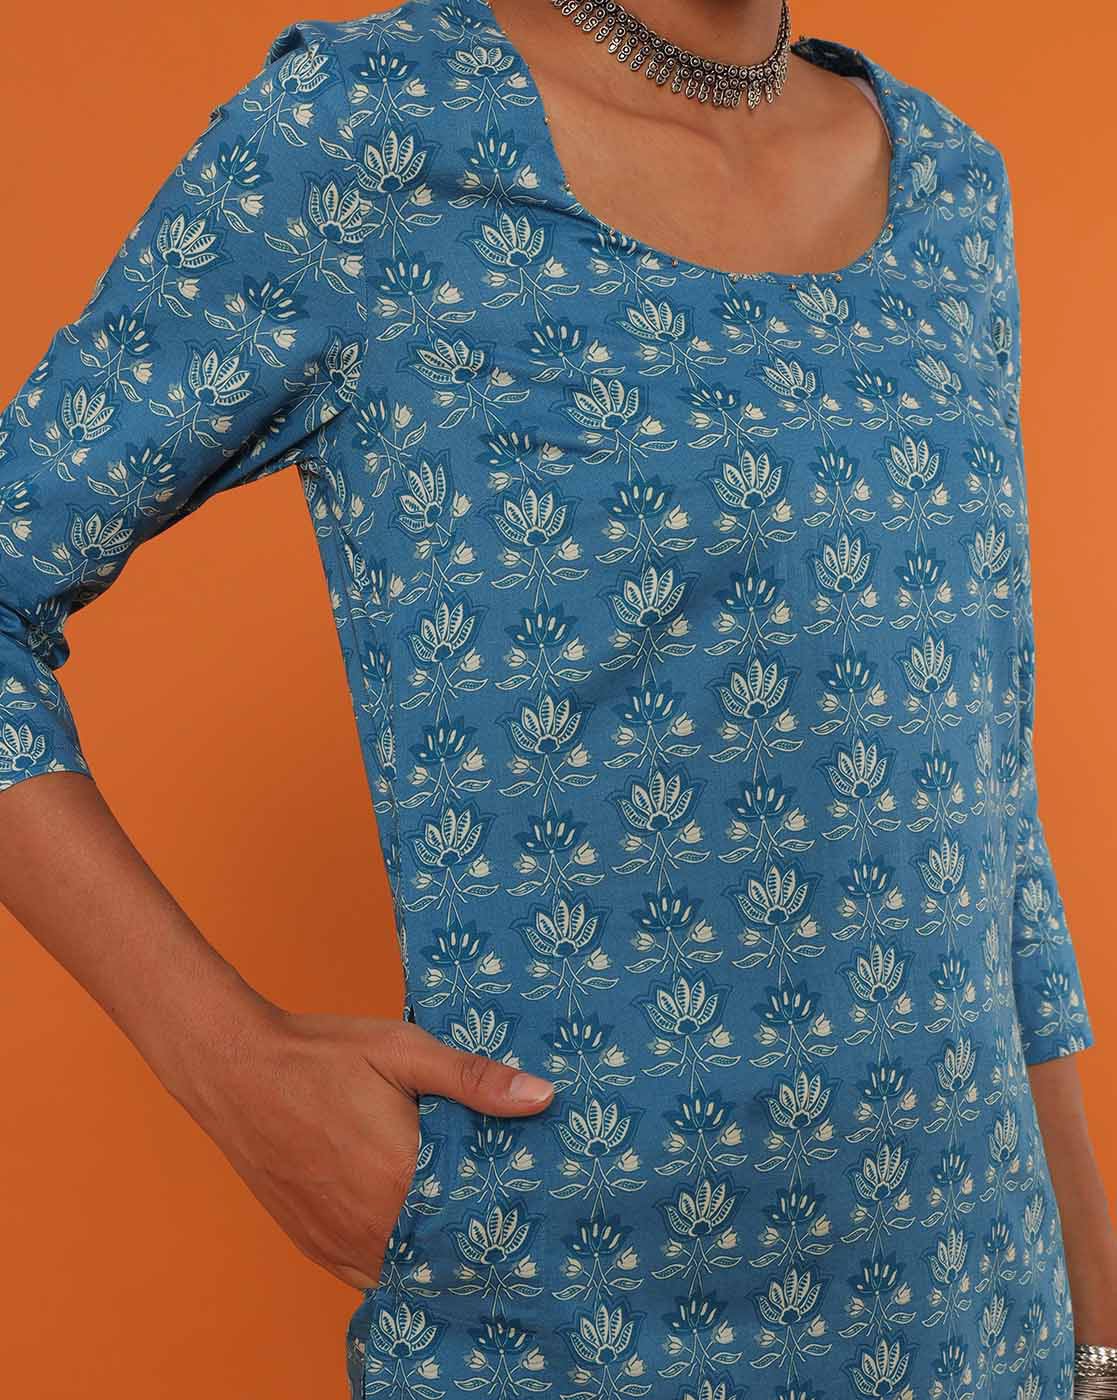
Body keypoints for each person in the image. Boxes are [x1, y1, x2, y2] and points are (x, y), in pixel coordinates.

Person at [1, 0, 1114, 1395]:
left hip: (982, 1321)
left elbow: (983, 782)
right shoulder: (368, 134)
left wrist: (1095, 1328)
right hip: (580, 1325)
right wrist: (231, 1068)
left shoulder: (949, 183)